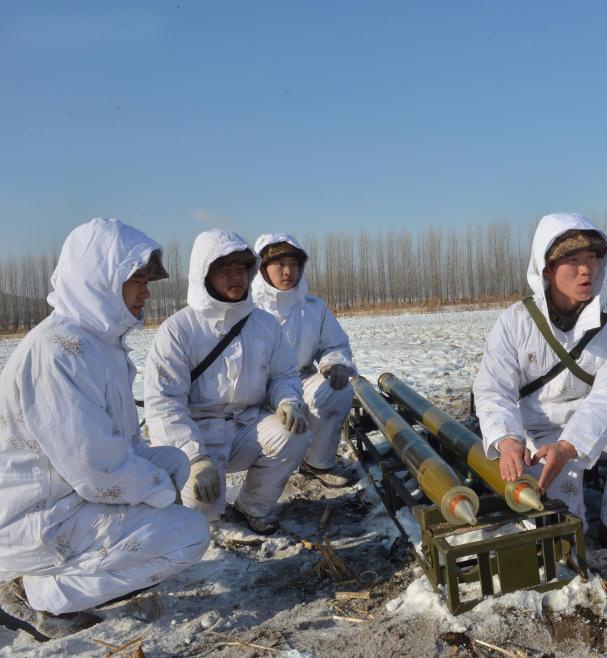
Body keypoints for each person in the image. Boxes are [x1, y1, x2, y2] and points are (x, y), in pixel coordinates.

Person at [0, 218, 209, 638]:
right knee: (190, 535)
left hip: (67, 492)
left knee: (173, 462)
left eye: (146, 280)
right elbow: (96, 468)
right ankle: (35, 593)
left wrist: (159, 480)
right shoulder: (59, 351)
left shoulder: (99, 344)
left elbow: (121, 444)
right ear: (100, 280)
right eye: (136, 280)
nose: (146, 291)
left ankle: (73, 571)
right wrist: (157, 492)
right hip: (38, 515)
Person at [473, 212, 607, 564]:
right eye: (573, 260)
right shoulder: (515, 322)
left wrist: (569, 445)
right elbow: (493, 389)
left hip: (594, 426)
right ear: (547, 268)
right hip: (535, 430)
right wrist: (508, 440)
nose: (585, 270)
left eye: (592, 258)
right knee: (563, 534)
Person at [144, 229, 310, 535]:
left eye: (241, 269)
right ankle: (201, 508)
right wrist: (194, 458)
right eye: (224, 269)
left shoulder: (264, 324)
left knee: (293, 433)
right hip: (197, 432)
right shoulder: (178, 330)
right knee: (201, 517)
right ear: (204, 274)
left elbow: (283, 374)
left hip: (246, 425)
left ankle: (253, 507)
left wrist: (287, 400)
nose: (236, 277)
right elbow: (164, 403)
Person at [252, 234, 356, 488]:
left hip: (300, 378)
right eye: (280, 264)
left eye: (294, 264)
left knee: (337, 390)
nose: (288, 271)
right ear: (262, 268)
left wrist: (335, 363)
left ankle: (318, 461)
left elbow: (334, 344)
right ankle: (262, 476)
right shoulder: (247, 308)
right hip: (255, 388)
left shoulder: (313, 307)